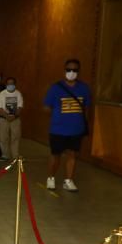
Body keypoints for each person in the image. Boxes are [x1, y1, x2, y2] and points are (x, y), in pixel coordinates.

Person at [42, 58, 91, 191]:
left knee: (72, 155)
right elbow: (46, 107)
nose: (71, 72)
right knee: (55, 154)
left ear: (79, 72)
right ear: (64, 71)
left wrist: (83, 124)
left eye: (75, 70)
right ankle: (50, 177)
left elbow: (86, 108)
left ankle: (68, 180)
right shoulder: (55, 88)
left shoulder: (84, 88)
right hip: (58, 129)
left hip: (76, 130)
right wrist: (57, 116)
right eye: (69, 70)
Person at [0, 77, 23, 159]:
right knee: (3, 138)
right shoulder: (1, 94)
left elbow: (20, 107)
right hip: (3, 119)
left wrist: (14, 116)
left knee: (15, 137)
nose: (10, 85)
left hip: (15, 119)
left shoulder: (18, 94)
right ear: (6, 84)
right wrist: (7, 116)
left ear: (15, 84)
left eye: (12, 83)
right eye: (9, 83)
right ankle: (5, 155)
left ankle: (15, 155)